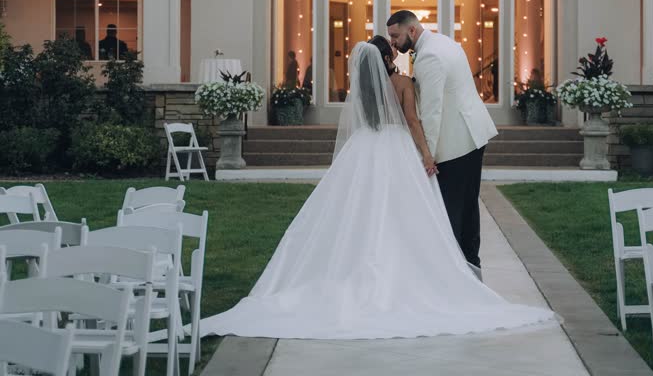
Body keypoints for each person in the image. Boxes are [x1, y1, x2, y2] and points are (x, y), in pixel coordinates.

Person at [199, 41, 558, 340]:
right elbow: (413, 120)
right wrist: (427, 154)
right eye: (393, 53)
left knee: (361, 209)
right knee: (405, 213)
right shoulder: (402, 82)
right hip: (398, 147)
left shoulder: (363, 89)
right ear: (387, 58)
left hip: (365, 148)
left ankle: (356, 269)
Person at [387, 10, 498, 279]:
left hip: (456, 142)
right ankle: (471, 269)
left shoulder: (429, 57)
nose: (393, 43)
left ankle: (458, 276)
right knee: (468, 207)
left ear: (412, 31)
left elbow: (432, 111)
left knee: (451, 213)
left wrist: (428, 155)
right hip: (471, 135)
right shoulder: (444, 41)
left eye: (396, 36)